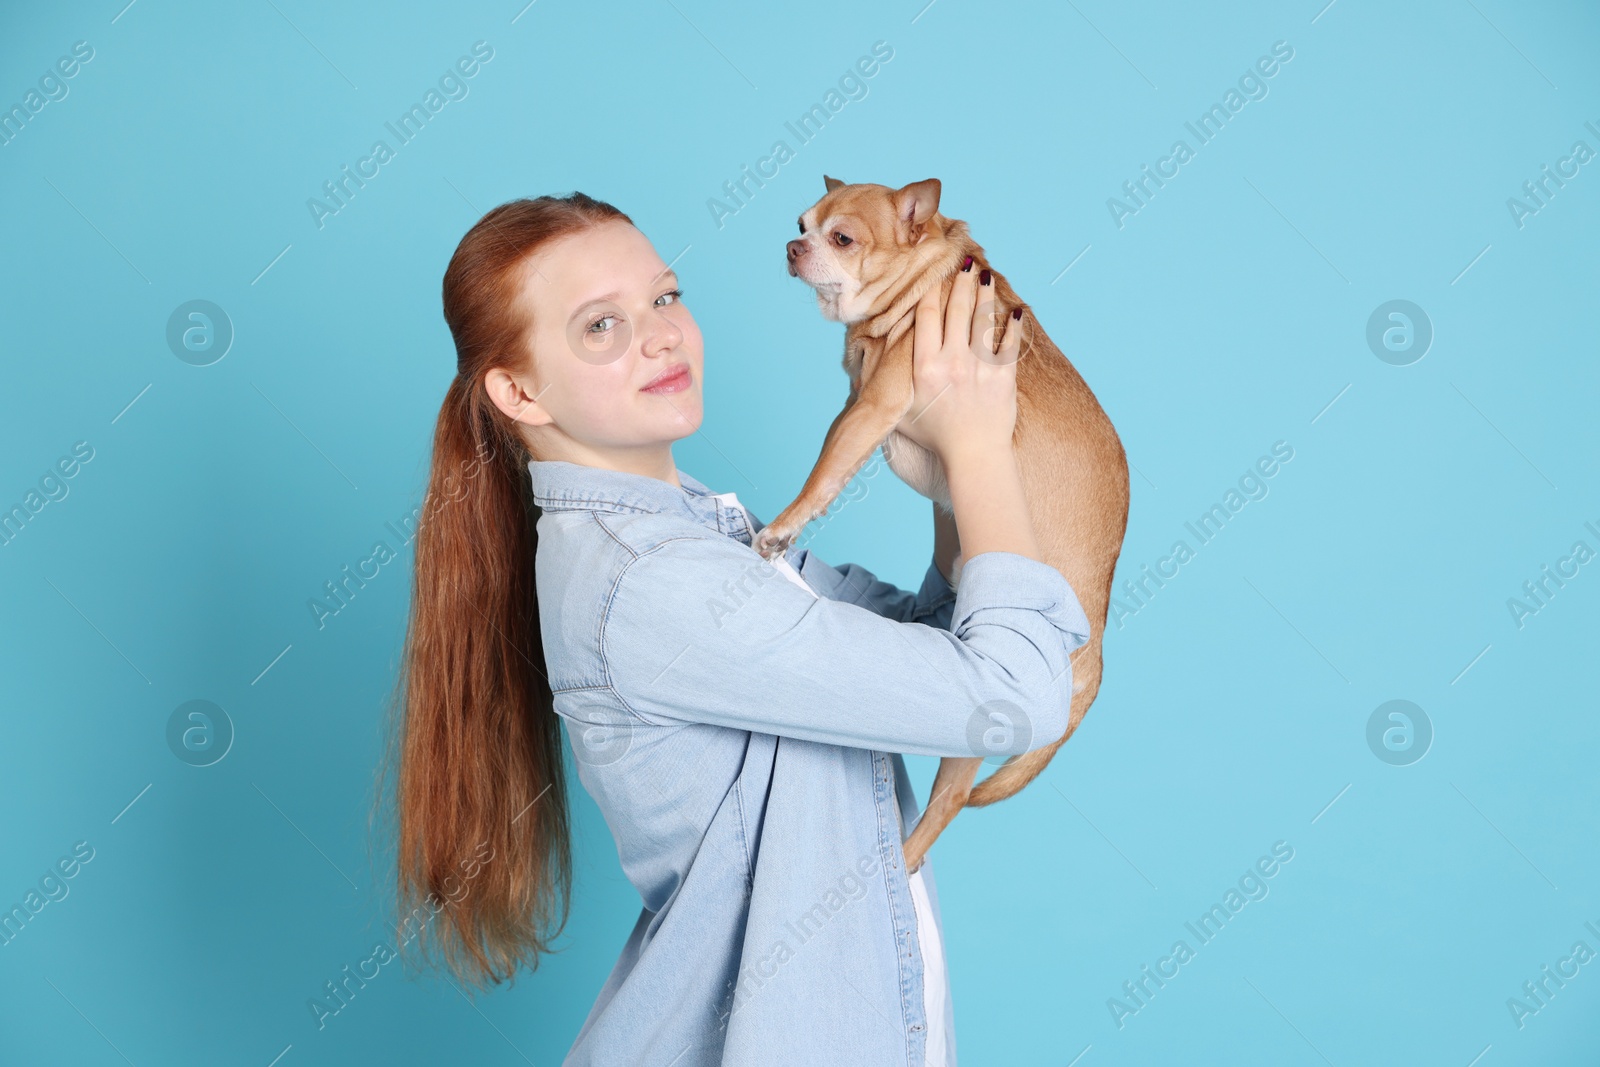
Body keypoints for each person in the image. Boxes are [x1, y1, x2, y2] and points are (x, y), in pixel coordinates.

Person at [384, 192, 1091, 1066]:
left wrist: (952, 448)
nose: (661, 335)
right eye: (601, 326)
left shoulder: (696, 535)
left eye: (666, 297)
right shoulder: (652, 583)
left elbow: (933, 643)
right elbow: (1010, 695)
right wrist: (982, 444)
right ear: (518, 390)